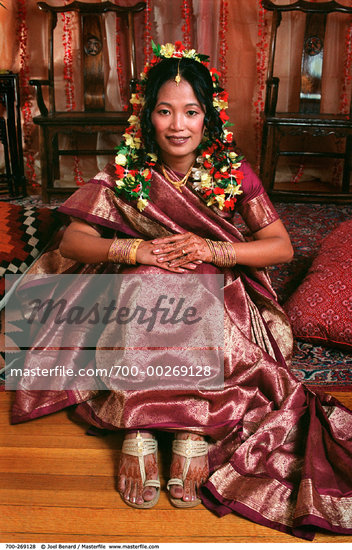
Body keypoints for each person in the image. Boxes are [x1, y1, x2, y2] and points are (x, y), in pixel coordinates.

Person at [11, 42, 352, 539]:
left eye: (191, 112)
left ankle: (191, 428)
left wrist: (213, 250)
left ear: (207, 117)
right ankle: (140, 427)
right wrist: (137, 253)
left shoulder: (231, 174)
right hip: (136, 295)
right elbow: (74, 241)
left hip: (219, 295)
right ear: (146, 117)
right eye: (165, 111)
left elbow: (278, 247)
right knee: (146, 283)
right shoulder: (128, 174)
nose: (177, 125)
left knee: (196, 286)